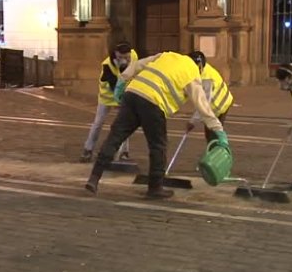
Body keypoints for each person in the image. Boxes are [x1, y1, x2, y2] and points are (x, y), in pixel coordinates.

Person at [84, 51, 230, 199]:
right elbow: (203, 106)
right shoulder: (192, 72)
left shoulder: (166, 55)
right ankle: (155, 188)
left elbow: (135, 66)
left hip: (132, 95)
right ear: (200, 66)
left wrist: (121, 84)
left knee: (114, 138)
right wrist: (219, 131)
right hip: (153, 103)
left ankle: (94, 178)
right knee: (158, 146)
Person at [80, 42, 138, 163]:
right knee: (98, 123)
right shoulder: (107, 65)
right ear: (116, 55)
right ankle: (88, 149)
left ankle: (124, 152)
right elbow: (114, 87)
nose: (126, 60)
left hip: (123, 94)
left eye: (127, 57)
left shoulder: (133, 55)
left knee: (125, 124)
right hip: (107, 97)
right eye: (122, 58)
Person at [185, 51, 234, 143]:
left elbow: (203, 104)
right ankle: (214, 151)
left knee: (213, 135)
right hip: (218, 103)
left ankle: (217, 153)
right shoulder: (204, 69)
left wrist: (192, 122)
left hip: (219, 106)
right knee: (211, 134)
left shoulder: (206, 79)